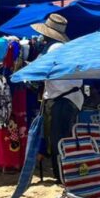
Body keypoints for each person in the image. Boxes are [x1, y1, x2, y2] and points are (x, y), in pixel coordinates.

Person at [33, 14, 82, 183]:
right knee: (62, 139)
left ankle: (61, 176)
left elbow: (41, 69)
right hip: (69, 98)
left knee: (57, 141)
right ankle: (63, 174)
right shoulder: (64, 48)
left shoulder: (54, 49)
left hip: (61, 100)